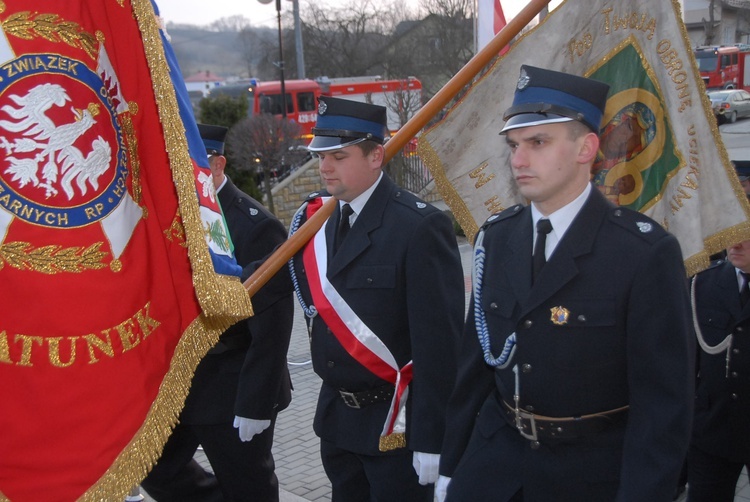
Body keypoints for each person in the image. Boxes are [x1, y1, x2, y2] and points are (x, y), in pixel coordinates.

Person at [436, 65, 695, 502]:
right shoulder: (497, 237)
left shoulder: (642, 253)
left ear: (586, 148)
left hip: (591, 473)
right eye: (515, 145)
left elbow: (664, 406)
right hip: (495, 463)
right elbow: (474, 368)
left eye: (538, 143)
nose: (518, 159)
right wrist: (451, 466)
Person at [288, 96, 464, 501]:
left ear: (375, 156)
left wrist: (435, 439)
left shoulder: (419, 227)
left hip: (396, 425)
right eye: (320, 155)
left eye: (338, 155)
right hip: (337, 422)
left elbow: (441, 347)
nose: (324, 166)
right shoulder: (318, 222)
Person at [141, 124, 294, 502]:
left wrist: (255, 403)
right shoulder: (175, 216)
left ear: (219, 163)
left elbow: (272, 328)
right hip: (181, 381)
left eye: (195, 162)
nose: (183, 172)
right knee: (153, 467)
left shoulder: (254, 225)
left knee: (248, 485)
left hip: (234, 384)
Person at [687, 239, 750, 501]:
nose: (734, 244)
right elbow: (689, 357)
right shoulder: (703, 283)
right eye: (729, 231)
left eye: (745, 233)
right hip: (713, 427)